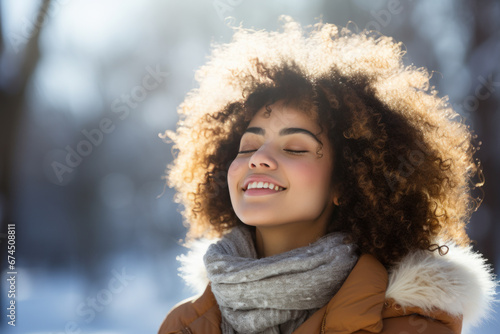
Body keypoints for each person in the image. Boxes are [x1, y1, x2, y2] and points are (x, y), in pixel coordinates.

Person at [158, 17, 496, 334]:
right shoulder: (183, 325)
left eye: (295, 148)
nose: (259, 159)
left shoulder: (409, 324)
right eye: (248, 146)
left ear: (344, 183)